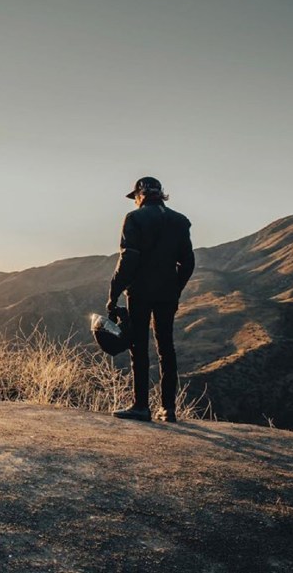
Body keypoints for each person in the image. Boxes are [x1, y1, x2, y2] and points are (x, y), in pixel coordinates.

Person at [106, 177, 194, 422]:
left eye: (135, 196)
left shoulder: (134, 219)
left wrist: (113, 293)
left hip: (140, 292)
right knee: (166, 348)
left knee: (138, 348)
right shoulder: (180, 221)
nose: (135, 201)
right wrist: (176, 290)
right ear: (160, 194)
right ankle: (168, 408)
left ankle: (141, 406)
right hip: (167, 293)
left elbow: (128, 259)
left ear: (140, 194)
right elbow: (187, 262)